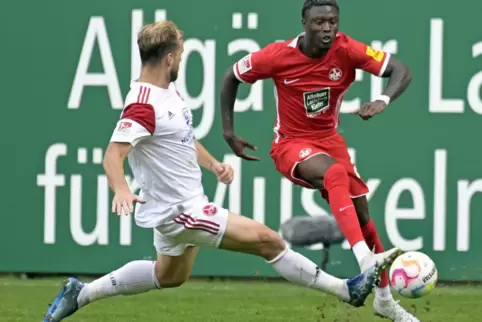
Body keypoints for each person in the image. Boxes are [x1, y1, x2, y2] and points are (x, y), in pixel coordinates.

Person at [43, 20, 391, 322]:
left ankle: (81, 293)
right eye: (179, 54)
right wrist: (120, 189)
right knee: (269, 241)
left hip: (172, 209)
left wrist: (212, 164)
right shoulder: (143, 105)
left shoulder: (166, 94)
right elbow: (112, 155)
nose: (180, 59)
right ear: (169, 58)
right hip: (182, 212)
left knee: (168, 276)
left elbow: (179, 138)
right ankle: (346, 290)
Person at [220, 1, 416, 321]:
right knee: (334, 174)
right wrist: (229, 131)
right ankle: (364, 260)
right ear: (304, 23)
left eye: (332, 22)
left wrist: (382, 100)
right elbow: (231, 77)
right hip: (290, 145)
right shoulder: (276, 55)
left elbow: (401, 70)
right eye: (319, 22)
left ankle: (384, 300)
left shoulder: (346, 49)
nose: (327, 29)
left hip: (329, 141)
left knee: (364, 214)